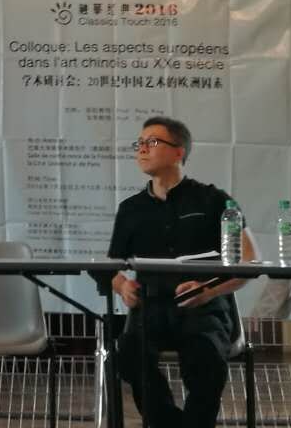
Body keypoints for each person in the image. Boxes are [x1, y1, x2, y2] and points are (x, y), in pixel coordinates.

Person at [107, 116, 256, 428]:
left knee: (206, 359)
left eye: (152, 142)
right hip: (150, 308)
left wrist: (209, 290)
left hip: (204, 308)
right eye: (139, 143)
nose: (142, 149)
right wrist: (122, 286)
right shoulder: (131, 209)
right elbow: (112, 267)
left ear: (179, 151)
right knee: (129, 354)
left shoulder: (215, 200)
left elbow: (249, 261)